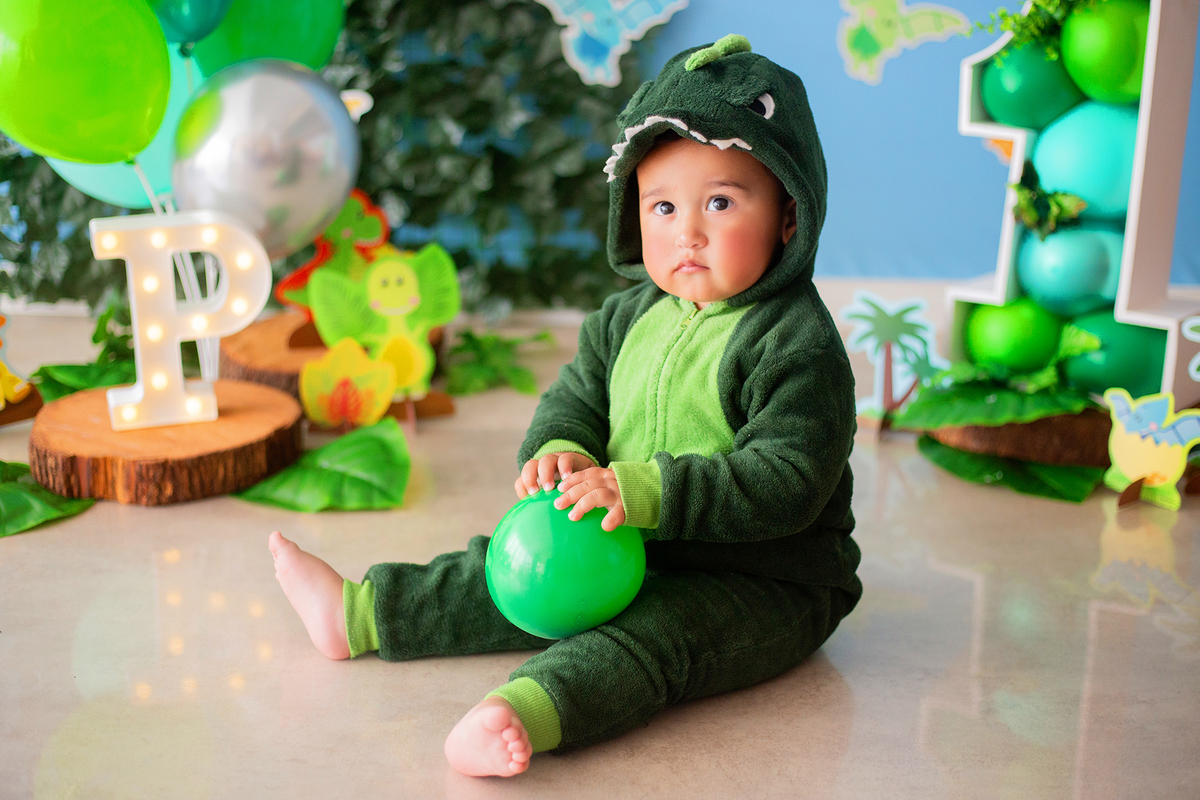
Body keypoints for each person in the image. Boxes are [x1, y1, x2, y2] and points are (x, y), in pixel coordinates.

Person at [269, 34, 861, 778]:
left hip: (761, 580)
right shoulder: (626, 317)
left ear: (788, 215)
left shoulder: (794, 343)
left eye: (720, 201)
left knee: (654, 638)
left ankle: (525, 711)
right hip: (622, 543)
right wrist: (563, 448)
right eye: (663, 206)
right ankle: (360, 613)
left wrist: (644, 490)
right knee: (501, 574)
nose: (689, 232)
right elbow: (577, 398)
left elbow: (788, 480)